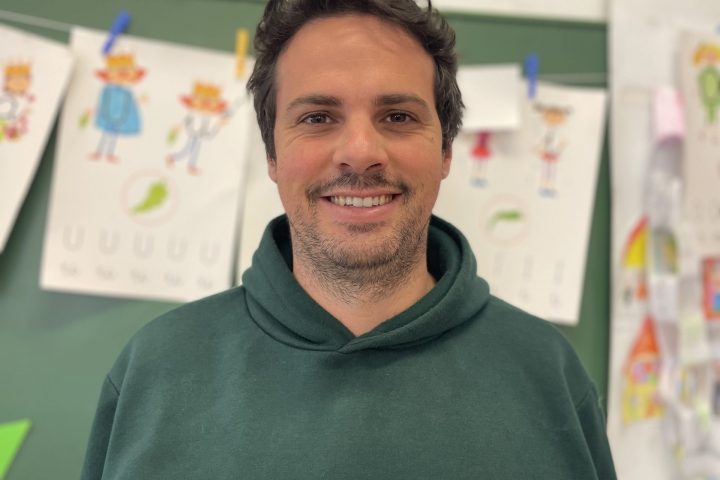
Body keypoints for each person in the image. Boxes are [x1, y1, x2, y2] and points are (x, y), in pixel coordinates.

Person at [80, 1, 617, 478]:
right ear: (272, 155)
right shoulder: (156, 371)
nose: (360, 152)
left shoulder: (548, 375)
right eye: (318, 117)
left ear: (446, 152)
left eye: (398, 116)